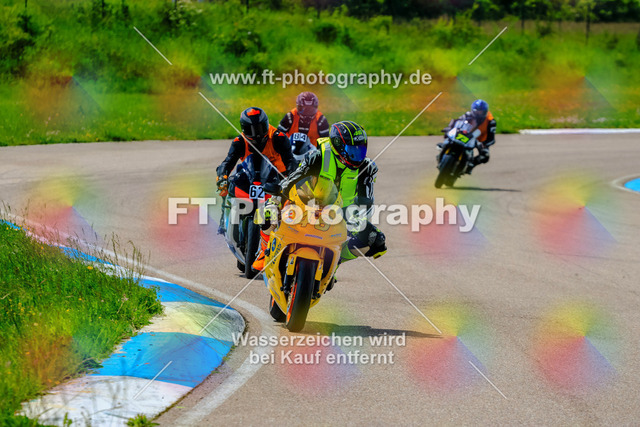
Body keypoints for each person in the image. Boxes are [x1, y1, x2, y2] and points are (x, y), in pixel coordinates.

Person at [252, 120, 387, 272]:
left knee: (376, 241)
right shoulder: (319, 156)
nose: (357, 156)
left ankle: (334, 260)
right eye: (351, 150)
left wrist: (358, 220)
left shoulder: (367, 168)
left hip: (342, 211)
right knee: (266, 213)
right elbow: (292, 179)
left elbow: (366, 201)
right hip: (308, 202)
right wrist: (275, 200)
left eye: (360, 150)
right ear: (337, 146)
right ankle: (264, 251)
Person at [216, 107, 297, 233]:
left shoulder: (278, 137)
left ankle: (288, 228)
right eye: (251, 130)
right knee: (226, 185)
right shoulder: (239, 141)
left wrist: (292, 176)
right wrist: (222, 176)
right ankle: (224, 218)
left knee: (293, 197)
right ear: (244, 129)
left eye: (260, 128)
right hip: (250, 175)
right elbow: (228, 162)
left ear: (266, 123)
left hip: (277, 177)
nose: (257, 134)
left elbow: (290, 160)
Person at [442, 99, 496, 174]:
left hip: (480, 140)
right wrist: (450, 128)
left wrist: (485, 145)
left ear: (485, 112)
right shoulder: (468, 115)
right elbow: (456, 121)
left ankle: (469, 166)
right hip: (467, 135)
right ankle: (444, 148)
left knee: (485, 156)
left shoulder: (491, 121)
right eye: (476, 111)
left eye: (481, 112)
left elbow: (491, 137)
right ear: (473, 110)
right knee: (449, 138)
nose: (478, 114)